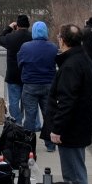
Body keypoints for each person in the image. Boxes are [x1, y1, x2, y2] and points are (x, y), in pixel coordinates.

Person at [46, 24, 92, 184]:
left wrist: (57, 128)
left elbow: (66, 100)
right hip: (81, 124)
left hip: (72, 127)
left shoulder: (70, 65)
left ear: (62, 40)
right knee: (78, 169)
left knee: (73, 174)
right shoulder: (82, 59)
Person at [17, 21, 58, 152]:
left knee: (30, 116)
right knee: (48, 115)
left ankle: (28, 145)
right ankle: (50, 144)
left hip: (30, 85)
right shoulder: (53, 47)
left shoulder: (25, 47)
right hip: (48, 85)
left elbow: (20, 63)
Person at [0, 15, 33, 120]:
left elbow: (0, 39)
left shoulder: (10, 37)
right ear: (28, 25)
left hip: (13, 74)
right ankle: (29, 123)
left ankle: (17, 122)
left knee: (13, 101)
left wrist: (8, 28)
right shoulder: (32, 37)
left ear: (17, 25)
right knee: (28, 101)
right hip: (28, 74)